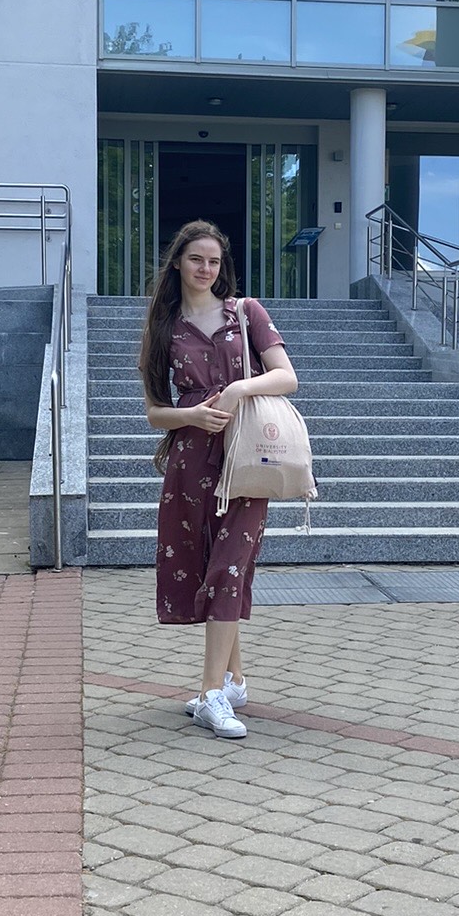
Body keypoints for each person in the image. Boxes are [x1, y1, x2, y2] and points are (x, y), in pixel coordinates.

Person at [139, 219, 299, 740]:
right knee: (208, 566)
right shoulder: (164, 327)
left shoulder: (245, 312)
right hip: (190, 462)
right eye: (196, 259)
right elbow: (155, 412)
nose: (206, 269)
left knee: (229, 568)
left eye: (214, 261)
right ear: (178, 263)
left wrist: (235, 391)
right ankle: (234, 682)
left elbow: (287, 376)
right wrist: (190, 416)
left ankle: (210, 694)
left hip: (247, 459)